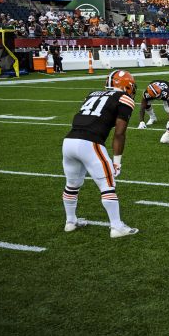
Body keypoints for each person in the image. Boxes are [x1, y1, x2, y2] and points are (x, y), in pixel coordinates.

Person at [62, 70, 139, 237]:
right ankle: (117, 227)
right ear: (126, 86)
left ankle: (70, 222)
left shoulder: (92, 94)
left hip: (69, 141)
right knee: (107, 185)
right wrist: (117, 160)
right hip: (90, 143)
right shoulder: (124, 98)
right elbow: (119, 133)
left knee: (72, 184)